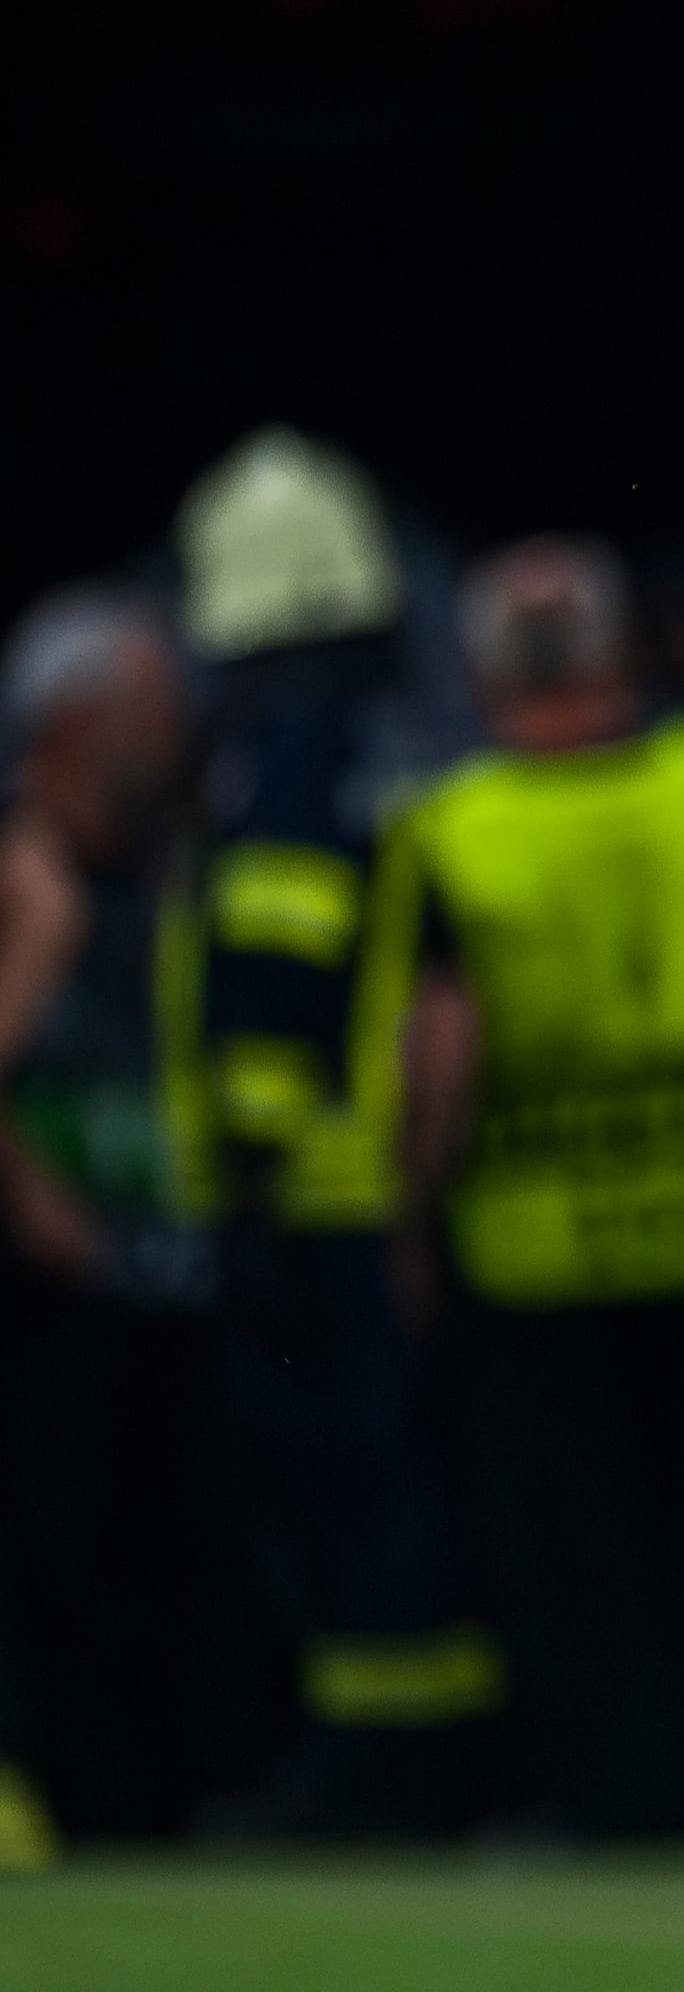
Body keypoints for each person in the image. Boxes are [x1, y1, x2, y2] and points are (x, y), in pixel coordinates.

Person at [391, 539, 684, 1835]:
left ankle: (625, 1805)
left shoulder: (450, 823)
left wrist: (410, 1220)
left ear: (479, 675)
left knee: (578, 1562)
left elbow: (441, 1052)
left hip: (545, 1254)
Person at [170, 431, 489, 1832]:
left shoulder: (286, 761)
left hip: (310, 1204)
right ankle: (425, 1763)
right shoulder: (393, 738)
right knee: (396, 1484)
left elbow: (273, 976)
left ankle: (378, 1779)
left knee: (343, 1494)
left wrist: (249, 1175)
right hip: (380, 1193)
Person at [0, 592, 247, 1846]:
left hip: (166, 1264)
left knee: (175, 1553)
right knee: (56, 1552)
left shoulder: (172, 861)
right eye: (153, 705)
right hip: (49, 1282)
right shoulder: (26, 873)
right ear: (78, 718)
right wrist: (36, 1202)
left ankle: (167, 1796)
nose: (178, 728)